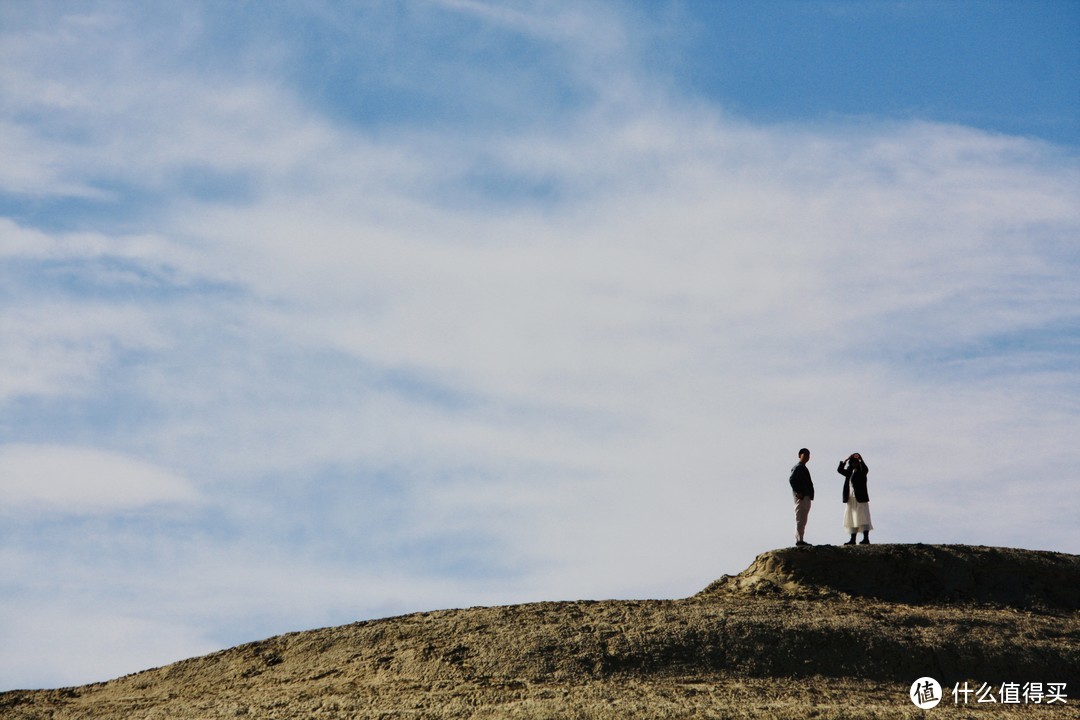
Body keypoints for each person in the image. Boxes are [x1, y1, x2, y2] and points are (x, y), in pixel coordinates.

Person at [838, 453, 873, 545]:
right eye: (852, 462)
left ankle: (866, 539)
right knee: (852, 518)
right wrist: (845, 460)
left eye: (855, 462)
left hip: (861, 498)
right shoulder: (849, 473)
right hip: (850, 498)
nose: (854, 464)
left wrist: (860, 459)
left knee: (863, 517)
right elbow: (839, 470)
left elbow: (865, 469)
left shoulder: (862, 472)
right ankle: (852, 539)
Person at [789, 448, 814, 546]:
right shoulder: (798, 467)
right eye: (805, 454)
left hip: (806, 496)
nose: (807, 456)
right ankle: (799, 540)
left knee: (803, 518)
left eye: (808, 455)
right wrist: (798, 492)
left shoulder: (803, 468)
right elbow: (792, 479)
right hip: (801, 496)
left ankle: (801, 539)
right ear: (800, 455)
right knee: (800, 518)